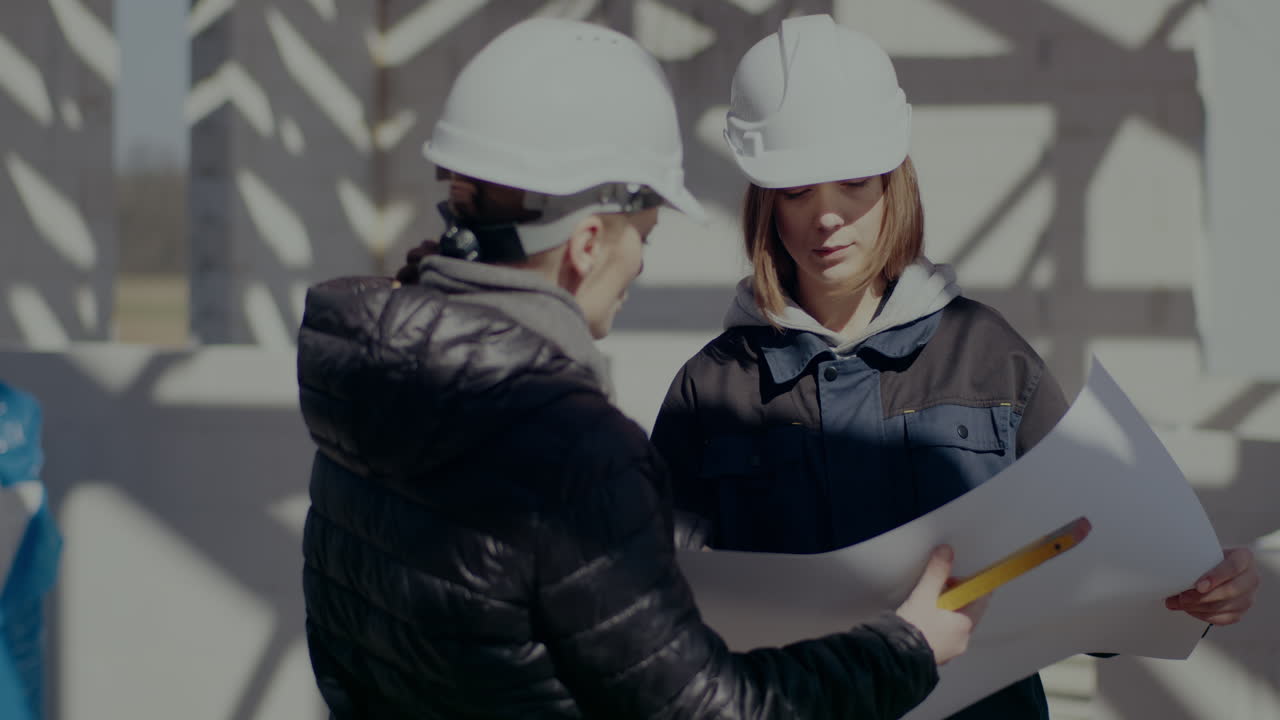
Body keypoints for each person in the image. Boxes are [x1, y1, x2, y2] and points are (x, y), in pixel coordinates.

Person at [297, 17, 986, 720]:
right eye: (645, 236)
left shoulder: (364, 403)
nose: (641, 264)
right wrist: (906, 649)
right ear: (588, 244)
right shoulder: (574, 452)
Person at [650, 14, 1260, 720]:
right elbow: (654, 611)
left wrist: (1197, 590)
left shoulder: (989, 360)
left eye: (853, 181)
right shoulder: (712, 391)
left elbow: (1098, 569)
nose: (827, 217)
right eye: (796, 191)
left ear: (894, 181)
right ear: (765, 205)